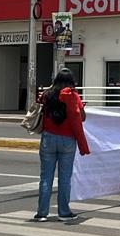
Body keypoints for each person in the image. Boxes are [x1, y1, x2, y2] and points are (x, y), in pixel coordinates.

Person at [34, 68, 90, 222]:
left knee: (45, 177)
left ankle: (41, 213)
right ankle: (64, 212)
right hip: (67, 139)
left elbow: (38, 108)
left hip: (48, 138)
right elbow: (82, 117)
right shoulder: (73, 95)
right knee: (65, 178)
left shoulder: (47, 94)